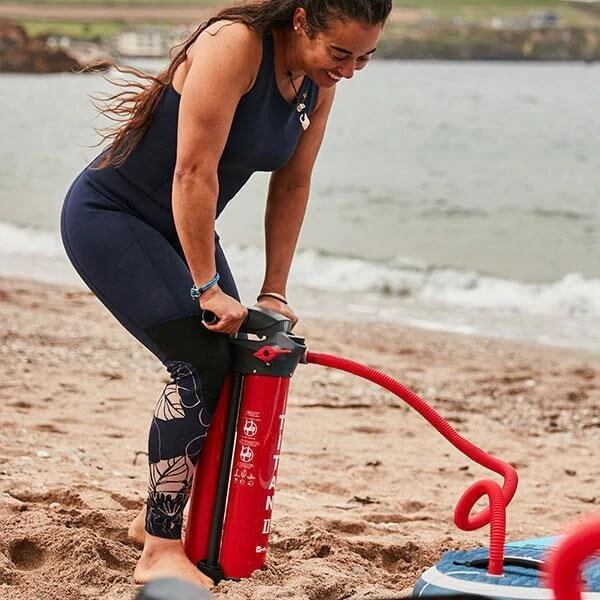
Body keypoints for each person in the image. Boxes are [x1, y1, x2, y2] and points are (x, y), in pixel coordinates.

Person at [61, 0, 391, 588]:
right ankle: (160, 550)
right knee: (198, 359)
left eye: (365, 57)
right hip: (112, 216)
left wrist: (274, 290)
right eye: (340, 53)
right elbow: (193, 171)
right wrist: (208, 286)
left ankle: (151, 521)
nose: (348, 70)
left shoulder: (318, 81)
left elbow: (293, 180)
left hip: (180, 230)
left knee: (243, 361)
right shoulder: (232, 44)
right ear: (301, 21)